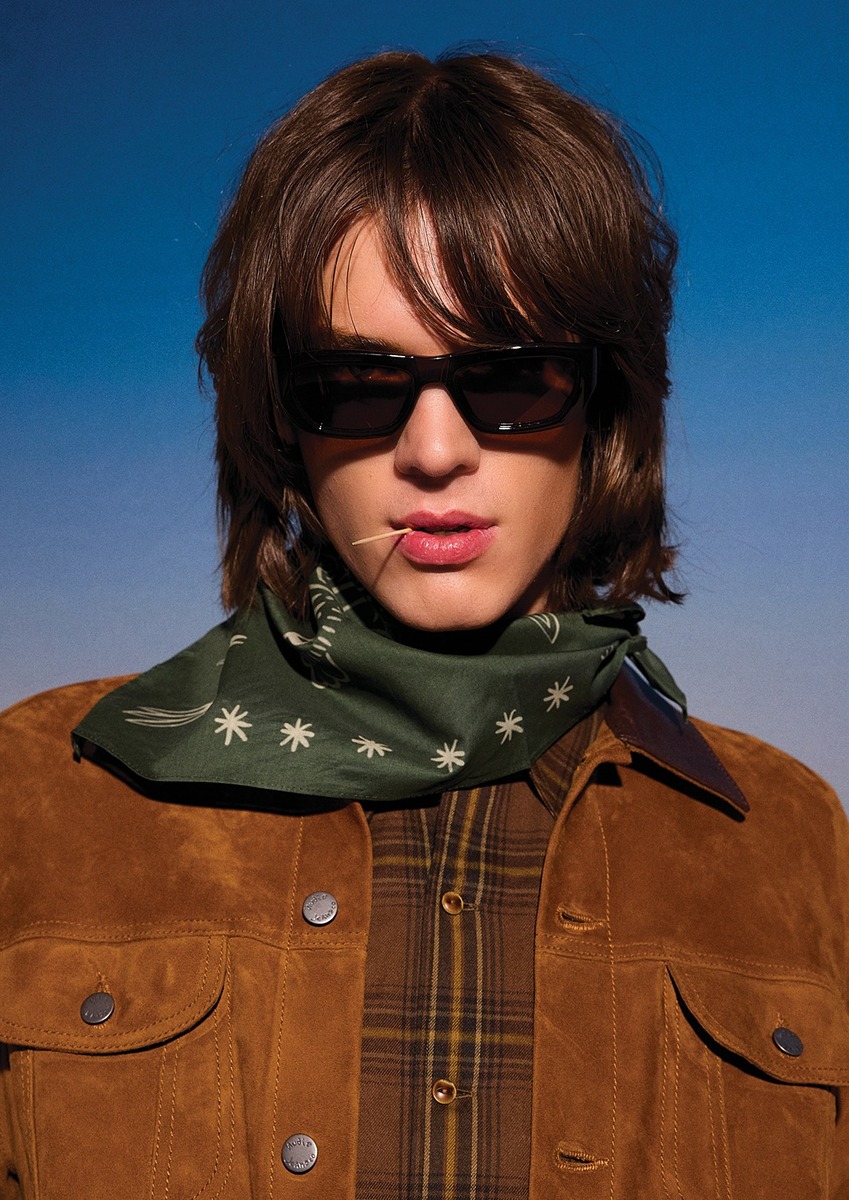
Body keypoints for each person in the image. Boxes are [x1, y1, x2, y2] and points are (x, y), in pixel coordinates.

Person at [1, 49, 846, 1200]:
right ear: (281, 420)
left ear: (603, 403)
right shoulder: (45, 796)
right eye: (356, 383)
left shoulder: (791, 843)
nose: (435, 450)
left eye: (511, 379)